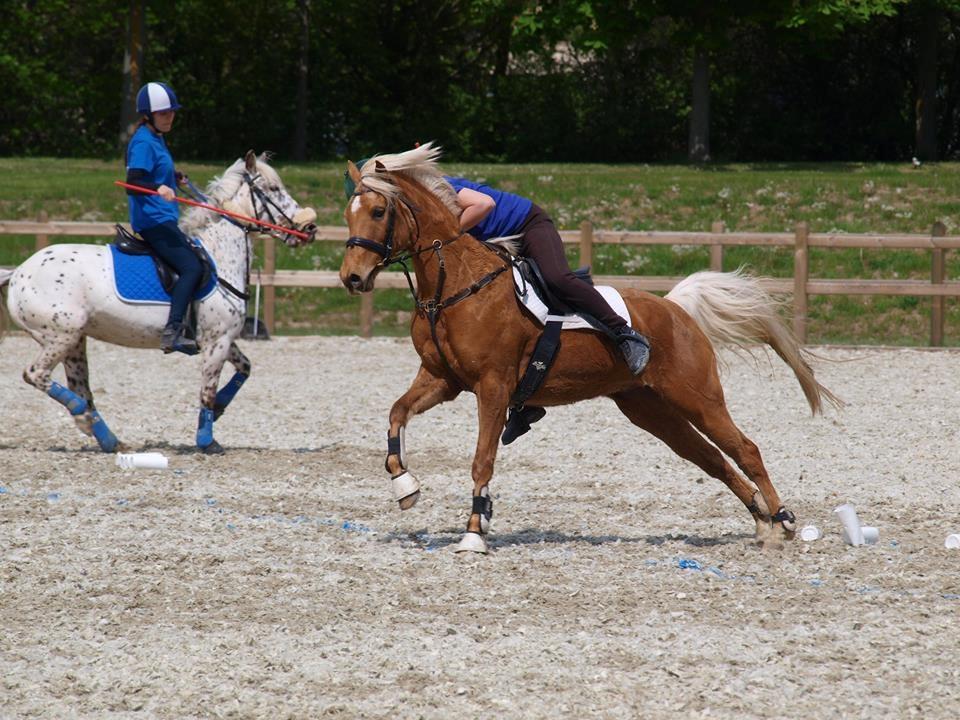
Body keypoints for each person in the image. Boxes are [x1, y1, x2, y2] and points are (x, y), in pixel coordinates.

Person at [445, 176, 651, 374]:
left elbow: (484, 204)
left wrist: (449, 235)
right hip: (497, 242)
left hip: (526, 224)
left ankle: (625, 333)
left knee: (557, 278)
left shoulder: (441, 188)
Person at [124, 81, 202, 355]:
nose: (170, 117)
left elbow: (154, 172)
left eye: (172, 112)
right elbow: (134, 180)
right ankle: (173, 331)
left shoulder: (156, 137)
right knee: (192, 267)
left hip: (164, 218)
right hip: (153, 220)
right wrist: (158, 188)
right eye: (164, 113)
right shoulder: (144, 141)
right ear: (149, 115)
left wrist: (172, 177)